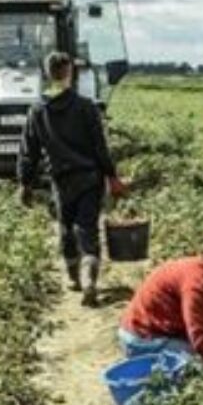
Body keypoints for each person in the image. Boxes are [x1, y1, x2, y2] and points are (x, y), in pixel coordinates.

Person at [18, 51, 128, 307]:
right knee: (87, 228)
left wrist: (25, 184)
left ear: (47, 74)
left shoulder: (37, 111)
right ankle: (90, 279)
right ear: (69, 73)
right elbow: (100, 147)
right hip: (90, 178)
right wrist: (112, 176)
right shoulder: (86, 107)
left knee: (66, 229)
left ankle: (74, 279)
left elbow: (28, 151)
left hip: (61, 180)